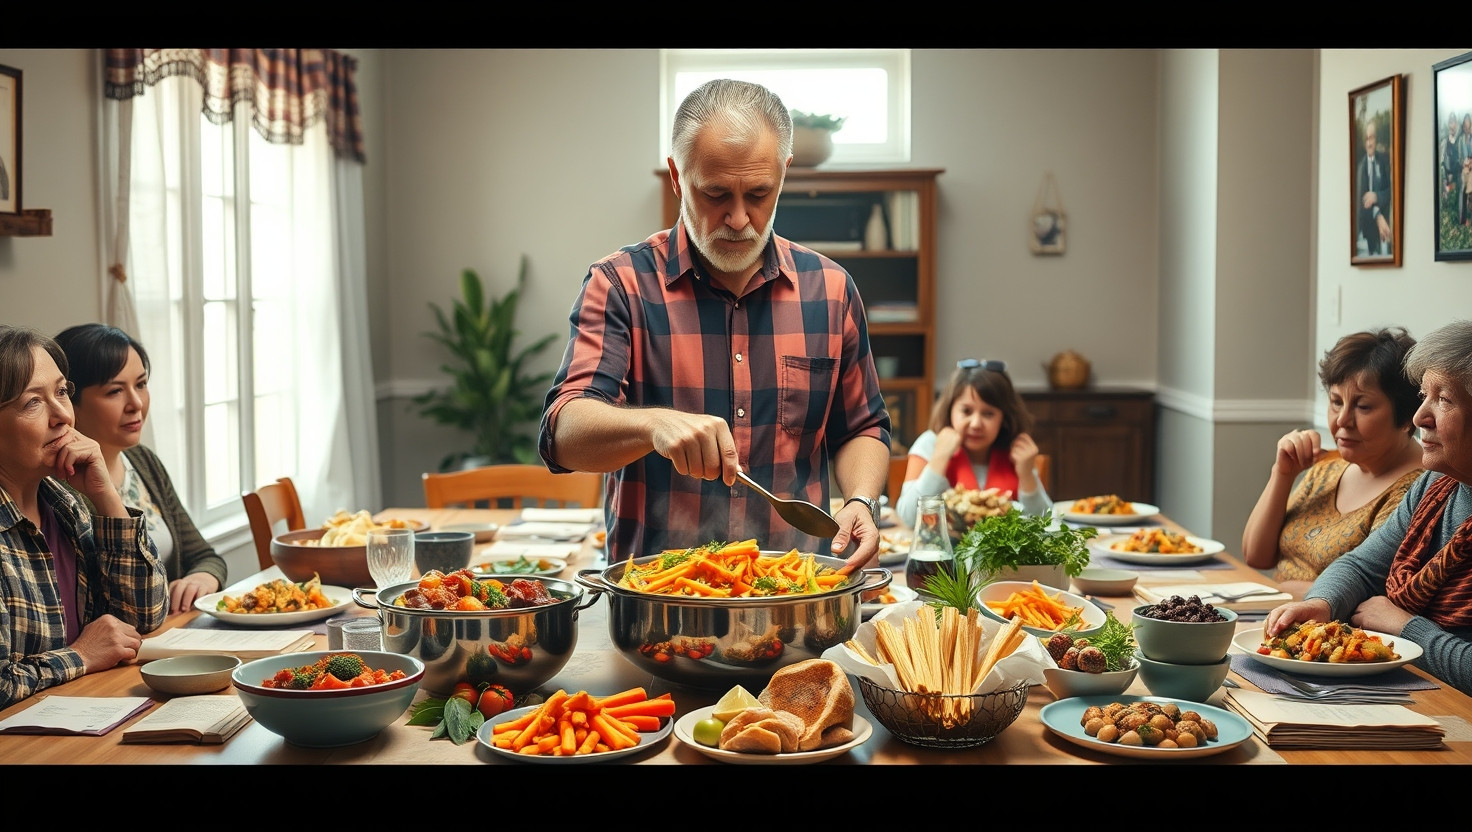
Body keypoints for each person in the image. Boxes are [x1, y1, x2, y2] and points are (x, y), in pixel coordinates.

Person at [537, 78, 891, 573]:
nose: (739, 218)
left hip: (792, 593)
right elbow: (563, 433)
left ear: (783, 174)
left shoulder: (830, 290)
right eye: (716, 193)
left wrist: (860, 500)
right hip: (657, 597)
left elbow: (862, 427)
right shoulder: (620, 284)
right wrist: (653, 425)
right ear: (677, 177)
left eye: (759, 193)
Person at [1264, 319, 1472, 697]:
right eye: (1423, 396)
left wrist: (1405, 627)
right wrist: (1322, 603)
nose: (1420, 417)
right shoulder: (1435, 486)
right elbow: (1360, 566)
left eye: (1443, 400)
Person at [0, 326, 167, 709]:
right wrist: (80, 655)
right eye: (32, 402)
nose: (62, 415)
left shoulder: (63, 505)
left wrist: (105, 495)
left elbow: (142, 615)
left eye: (61, 392)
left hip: (90, 713)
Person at [55, 323, 226, 613]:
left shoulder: (143, 461)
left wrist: (203, 578)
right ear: (69, 402)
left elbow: (204, 556)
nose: (136, 404)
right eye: (114, 391)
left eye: (141, 384)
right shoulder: (57, 488)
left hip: (175, 627)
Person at [1241, 328, 1424, 597]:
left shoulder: (1418, 492)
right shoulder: (1329, 466)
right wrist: (1282, 474)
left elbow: (1375, 593)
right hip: (1271, 608)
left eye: (1363, 406)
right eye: (1336, 402)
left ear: (1408, 416)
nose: (1341, 420)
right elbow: (1256, 556)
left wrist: (1282, 590)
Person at [894, 359, 1051, 530]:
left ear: (1004, 417)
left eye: (988, 414)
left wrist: (1027, 475)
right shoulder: (930, 444)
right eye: (966, 411)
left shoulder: (1018, 450)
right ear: (950, 409)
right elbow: (908, 519)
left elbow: (1047, 523)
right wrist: (939, 459)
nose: (976, 424)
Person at [1355, 119, 1393, 256]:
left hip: (1387, 225)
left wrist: (1377, 196)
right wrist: (1377, 216)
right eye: (1366, 139)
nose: (1369, 143)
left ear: (1376, 139)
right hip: (1368, 231)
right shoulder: (1361, 168)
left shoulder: (1384, 161)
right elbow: (1362, 204)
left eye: (1371, 138)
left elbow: (1392, 191)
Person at [1443, 112, 1462, 199]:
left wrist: (1454, 138)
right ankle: (1447, 191)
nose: (1452, 125)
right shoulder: (1447, 138)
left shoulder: (1459, 136)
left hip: (1457, 166)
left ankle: (1449, 189)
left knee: (1456, 183)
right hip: (1449, 168)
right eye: (1451, 122)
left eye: (1453, 122)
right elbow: (1446, 155)